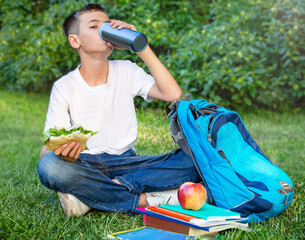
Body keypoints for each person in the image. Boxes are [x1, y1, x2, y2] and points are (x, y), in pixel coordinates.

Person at [38, 3, 201, 217]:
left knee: (196, 157)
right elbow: (46, 152)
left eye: (108, 25)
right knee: (49, 166)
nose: (106, 30)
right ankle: (149, 199)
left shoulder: (127, 70)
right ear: (75, 40)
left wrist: (140, 47)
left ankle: (92, 197)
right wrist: (63, 153)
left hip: (129, 163)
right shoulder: (64, 86)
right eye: (95, 27)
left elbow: (172, 94)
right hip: (86, 164)